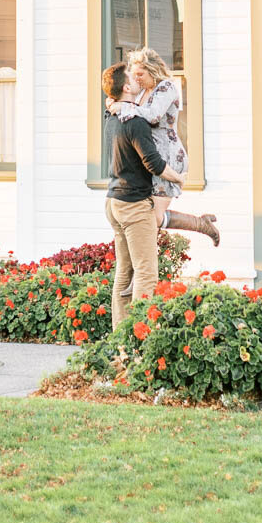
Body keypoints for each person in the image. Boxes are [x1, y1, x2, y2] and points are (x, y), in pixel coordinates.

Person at [101, 62, 186, 325]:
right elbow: (154, 164)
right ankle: (140, 339)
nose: (138, 80)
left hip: (114, 201)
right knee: (146, 274)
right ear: (126, 87)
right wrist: (179, 177)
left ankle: (121, 340)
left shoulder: (114, 117)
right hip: (134, 204)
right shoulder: (135, 121)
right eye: (133, 77)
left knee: (124, 274)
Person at [109, 47, 220, 247]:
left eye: (140, 74)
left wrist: (123, 107)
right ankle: (200, 224)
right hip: (150, 158)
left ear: (152, 70)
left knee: (152, 219)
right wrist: (116, 103)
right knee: (149, 217)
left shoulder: (166, 87)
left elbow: (152, 115)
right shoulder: (143, 90)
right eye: (134, 75)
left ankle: (201, 225)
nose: (137, 79)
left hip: (168, 158)